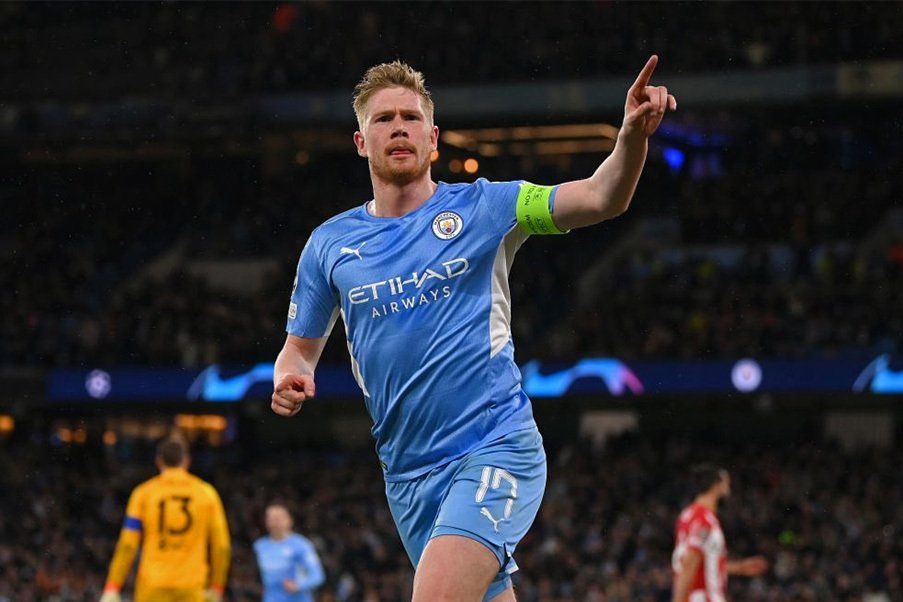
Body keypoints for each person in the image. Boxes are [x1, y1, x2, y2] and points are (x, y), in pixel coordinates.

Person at [272, 57, 676, 601]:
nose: (399, 128)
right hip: (407, 477)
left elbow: (601, 197)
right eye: (384, 119)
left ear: (433, 138)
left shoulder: (488, 205)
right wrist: (290, 377)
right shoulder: (329, 244)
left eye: (411, 118)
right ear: (361, 142)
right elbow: (298, 350)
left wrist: (630, 138)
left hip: (494, 446)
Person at [100, 436, 231, 602]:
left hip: (152, 585)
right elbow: (221, 546)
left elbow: (128, 544)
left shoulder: (143, 494)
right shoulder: (206, 494)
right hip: (191, 586)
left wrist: (113, 586)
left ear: (159, 461)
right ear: (186, 460)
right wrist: (217, 586)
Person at [671, 464, 769, 602]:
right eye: (725, 481)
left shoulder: (688, 514)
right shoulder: (704, 521)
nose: (728, 485)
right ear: (716, 485)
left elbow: (701, 564)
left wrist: (740, 568)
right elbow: (689, 562)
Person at [253, 503, 325, 602]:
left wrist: (298, 585)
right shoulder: (259, 546)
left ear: (289, 520)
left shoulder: (301, 545)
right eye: (271, 518)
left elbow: (317, 576)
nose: (275, 522)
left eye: (278, 518)